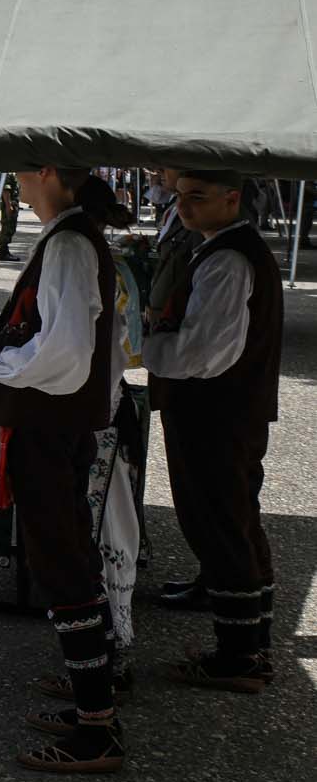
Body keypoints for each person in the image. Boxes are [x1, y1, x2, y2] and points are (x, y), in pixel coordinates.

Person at [0, 165, 132, 772]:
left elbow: (64, 354)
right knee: (71, 559)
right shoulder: (72, 235)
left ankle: (97, 727)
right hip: (58, 424)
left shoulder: (69, 243)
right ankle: (96, 698)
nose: (13, 179)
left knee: (62, 566)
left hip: (47, 425)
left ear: (45, 171)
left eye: (21, 167)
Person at [143, 167, 281, 692]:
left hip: (216, 413)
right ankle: (249, 643)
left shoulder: (228, 259)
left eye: (197, 196)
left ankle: (240, 656)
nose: (183, 206)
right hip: (226, 411)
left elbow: (200, 354)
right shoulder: (222, 249)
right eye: (180, 195)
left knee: (220, 523)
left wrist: (143, 347)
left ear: (232, 198)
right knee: (235, 519)